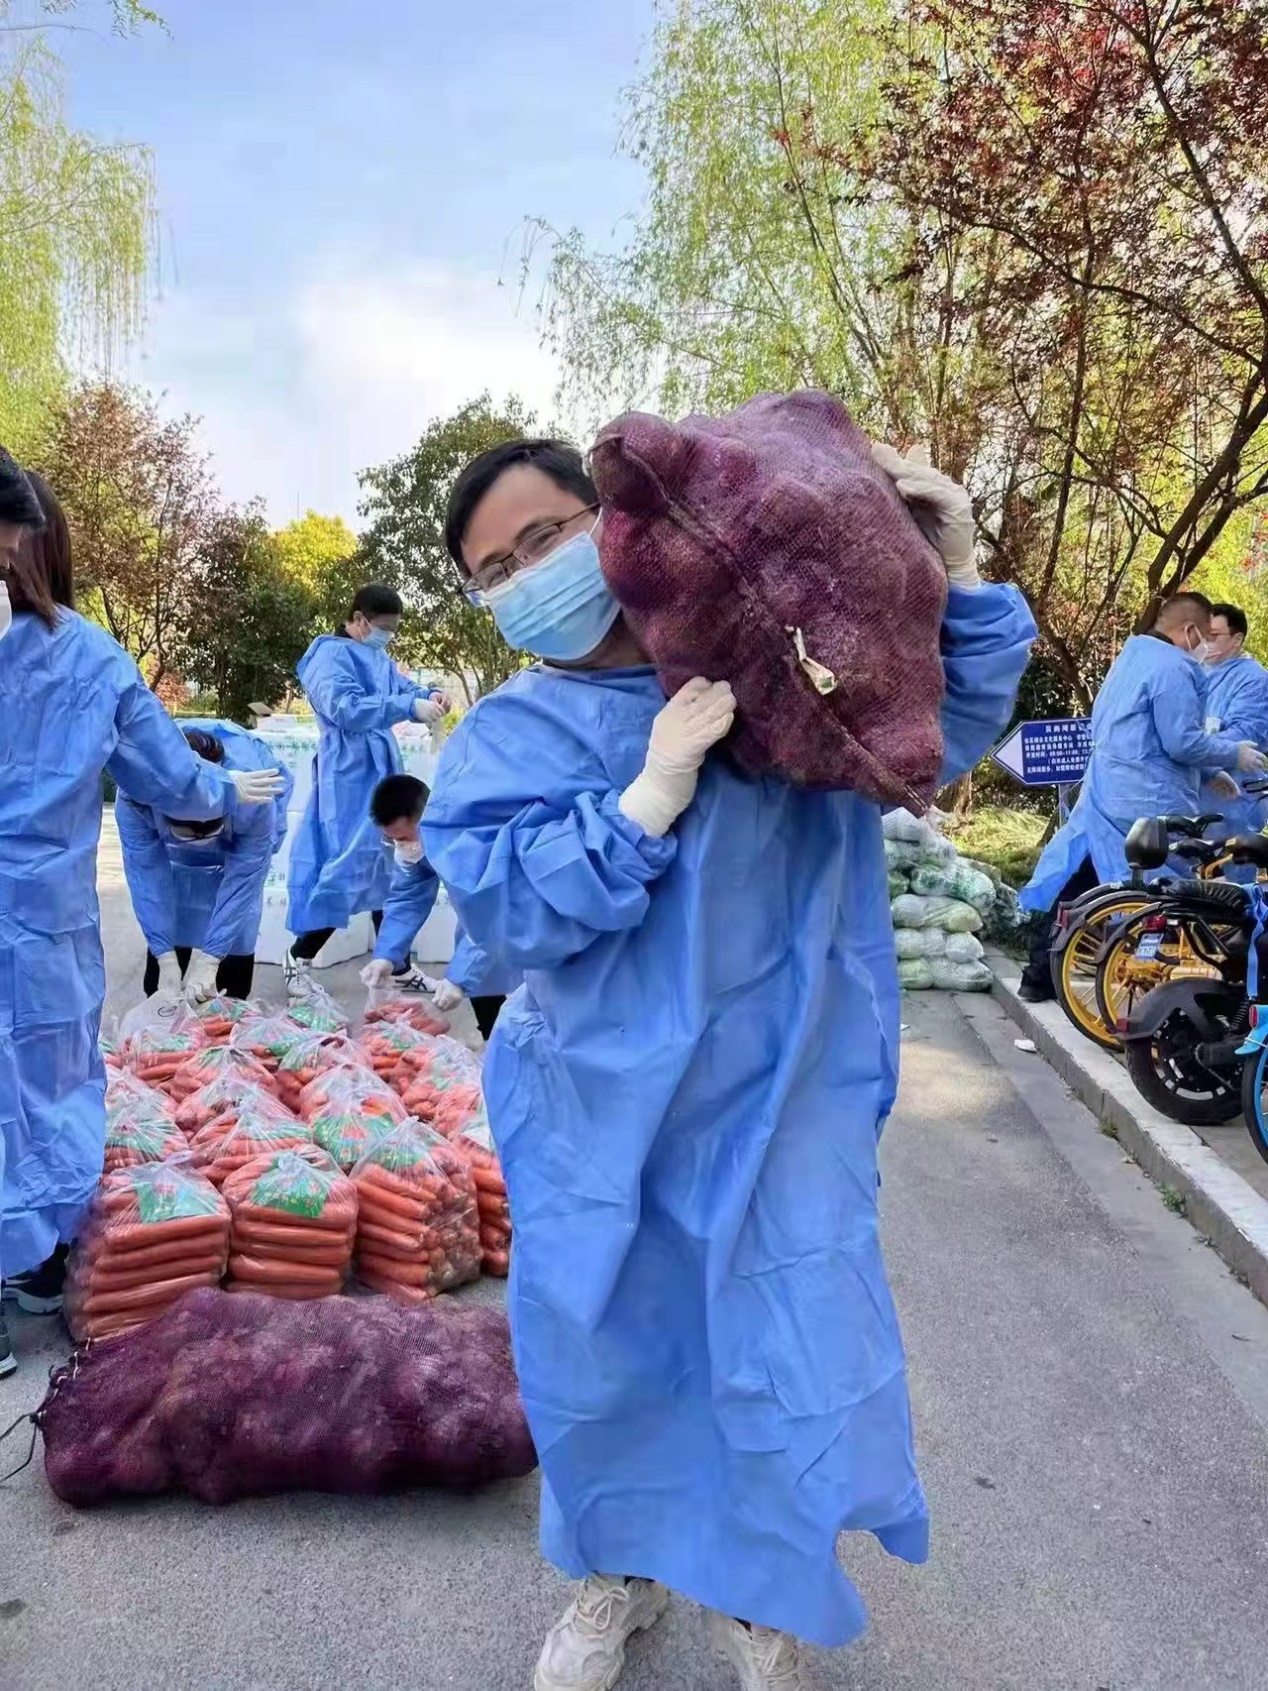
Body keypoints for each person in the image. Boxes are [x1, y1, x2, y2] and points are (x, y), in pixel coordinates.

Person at [420, 435, 1035, 1691]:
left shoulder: (776, 668)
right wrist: (641, 799)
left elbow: (930, 737)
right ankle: (614, 1573)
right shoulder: (507, 736)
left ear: (617, 519)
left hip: (784, 1090)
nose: (528, 572)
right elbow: (509, 914)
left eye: (544, 536)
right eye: (495, 568)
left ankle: (758, 1592)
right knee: (604, 1351)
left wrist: (953, 582)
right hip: (596, 1110)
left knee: (780, 1343)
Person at [0, 459, 282, 1376]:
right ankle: (39, 1264)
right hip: (40, 923)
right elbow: (170, 779)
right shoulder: (84, 656)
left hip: (40, 920)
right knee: (45, 1085)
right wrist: (222, 790)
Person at [1018, 592, 1268, 1001]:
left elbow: (1157, 732)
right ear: (1190, 631)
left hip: (1107, 791)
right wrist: (1231, 755)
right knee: (1156, 900)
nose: (1206, 647)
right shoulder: (1173, 667)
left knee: (1079, 883)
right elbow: (1181, 741)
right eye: (1206, 635)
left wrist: (1212, 770)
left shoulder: (1133, 656)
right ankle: (1149, 995)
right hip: (1145, 798)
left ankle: (1037, 975)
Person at [285, 585, 447, 999]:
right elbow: (348, 710)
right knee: (348, 865)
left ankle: (397, 965)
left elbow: (399, 687)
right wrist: (407, 709)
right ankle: (298, 957)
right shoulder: (328, 657)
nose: (387, 636)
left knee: (388, 868)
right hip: (348, 774)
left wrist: (427, 695)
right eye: (383, 627)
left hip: (381, 766)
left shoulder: (375, 655)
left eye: (393, 629)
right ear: (358, 619)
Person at [117, 721, 295, 1005]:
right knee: (162, 975)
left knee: (231, 986)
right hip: (175, 857)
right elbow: (146, 874)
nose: (199, 836)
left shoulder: (256, 797)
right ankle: (165, 976)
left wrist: (211, 959)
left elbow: (244, 878)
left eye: (205, 825)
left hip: (239, 838)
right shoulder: (137, 795)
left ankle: (229, 998)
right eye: (188, 826)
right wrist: (164, 955)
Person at [359, 774, 520, 1036]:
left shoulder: (472, 840)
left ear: (426, 817)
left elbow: (487, 912)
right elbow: (407, 899)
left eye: (404, 837)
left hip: (526, 905)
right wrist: (387, 956)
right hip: (486, 916)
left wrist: (460, 976)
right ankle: (493, 1042)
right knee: (483, 976)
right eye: (393, 840)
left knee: (537, 985)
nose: (402, 845)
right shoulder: (421, 844)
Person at [1199, 602, 1268, 843]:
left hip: (1235, 806)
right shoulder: (1196, 674)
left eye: (1214, 636)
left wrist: (1193, 749)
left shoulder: (1255, 681)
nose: (1205, 642)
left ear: (1237, 639)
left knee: (1232, 878)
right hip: (1197, 805)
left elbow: (1246, 734)